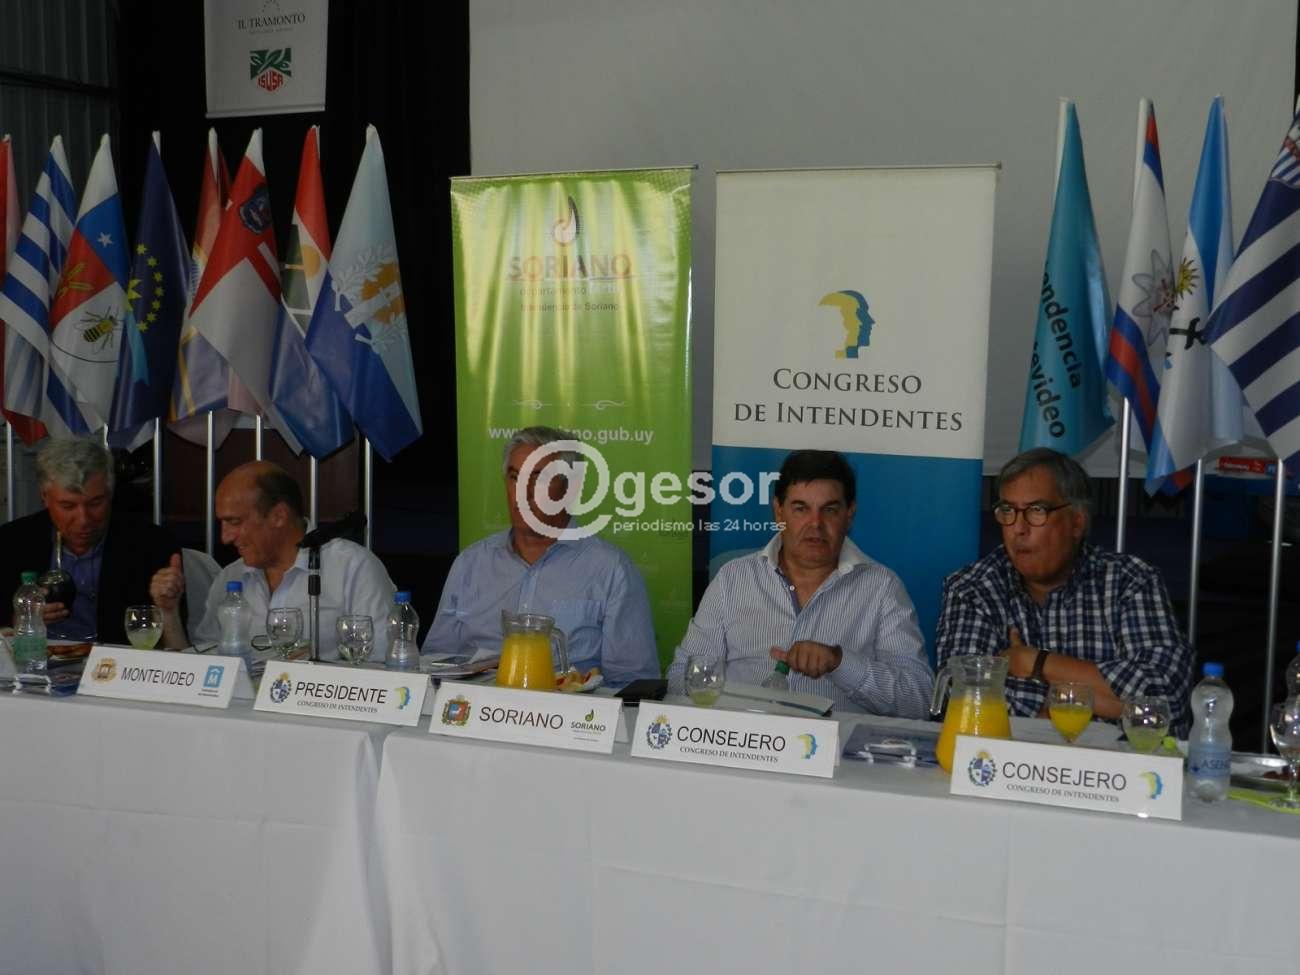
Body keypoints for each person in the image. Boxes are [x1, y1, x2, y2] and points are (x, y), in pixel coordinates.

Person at [935, 447, 1194, 734]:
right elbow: (968, 706)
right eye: (1008, 511)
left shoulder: (1130, 581)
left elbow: (1164, 702)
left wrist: (1035, 661)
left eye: (1036, 510)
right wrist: (1101, 698)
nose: (1018, 528)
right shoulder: (973, 588)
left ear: (1077, 522)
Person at [666, 450, 933, 716]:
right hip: (744, 737)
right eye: (801, 509)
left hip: (839, 741)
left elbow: (919, 700)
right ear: (779, 511)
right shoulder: (733, 579)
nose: (815, 524)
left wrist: (841, 663)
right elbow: (680, 678)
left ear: (849, 514)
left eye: (829, 510)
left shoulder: (882, 587)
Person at [422, 426, 660, 690]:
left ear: (572, 488)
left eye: (540, 479)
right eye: (515, 477)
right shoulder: (471, 563)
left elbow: (632, 684)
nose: (522, 493)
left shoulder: (610, 569)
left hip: (566, 712)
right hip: (474, 707)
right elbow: (435, 662)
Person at [156, 461, 395, 661]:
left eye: (235, 522)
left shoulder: (352, 567)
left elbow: (384, 663)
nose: (225, 537)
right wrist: (169, 613)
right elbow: (199, 668)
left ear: (278, 516)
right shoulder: (231, 577)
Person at [0, 437, 183, 644]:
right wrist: (23, 622)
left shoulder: (151, 545)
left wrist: (168, 609)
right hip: (35, 659)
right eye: (68, 506)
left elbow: (174, 646)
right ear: (45, 497)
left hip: (115, 660)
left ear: (110, 493)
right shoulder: (11, 542)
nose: (84, 519)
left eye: (95, 503)